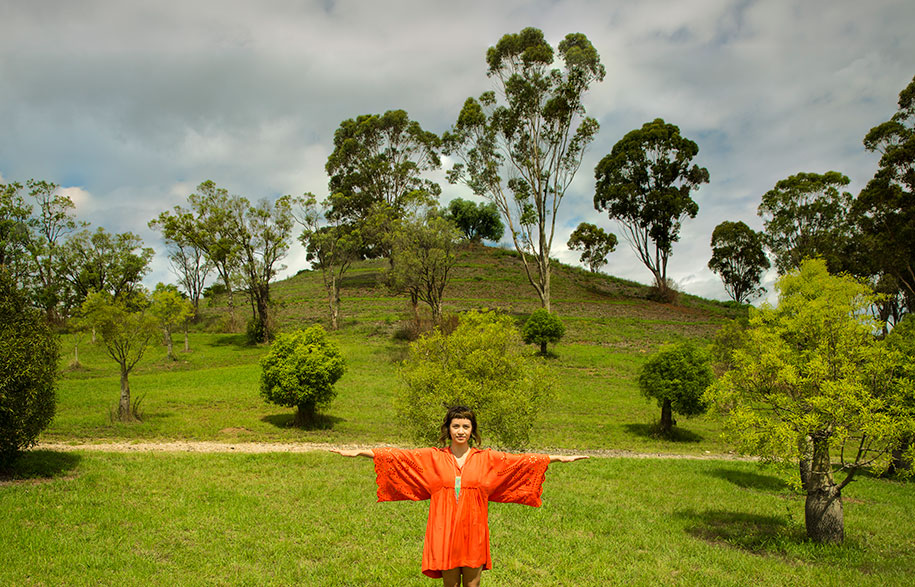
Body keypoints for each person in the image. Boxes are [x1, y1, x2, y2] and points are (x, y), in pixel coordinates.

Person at [331, 405, 588, 586]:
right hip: (443, 529)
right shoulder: (433, 457)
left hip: (473, 528)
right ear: (448, 429)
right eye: (456, 426)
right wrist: (361, 453)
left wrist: (557, 458)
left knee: (473, 586)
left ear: (472, 430)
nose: (461, 431)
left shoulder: (487, 458)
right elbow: (398, 456)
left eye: (466, 426)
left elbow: (521, 462)